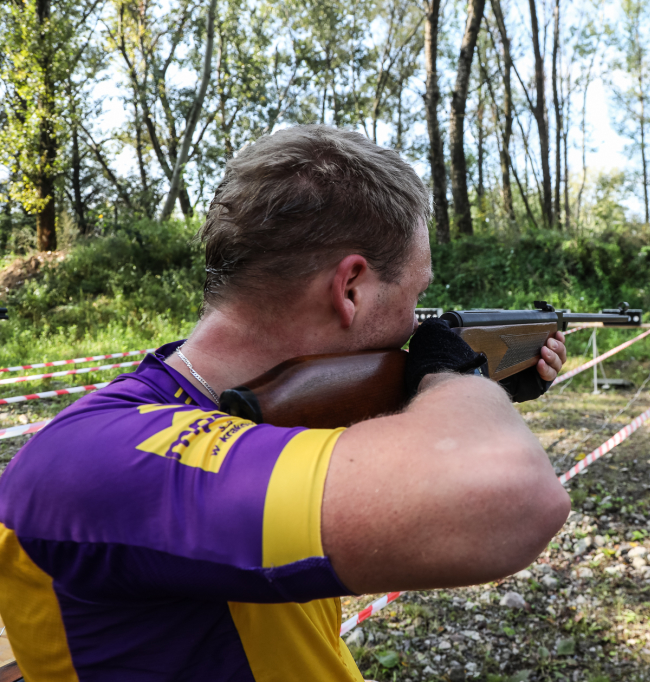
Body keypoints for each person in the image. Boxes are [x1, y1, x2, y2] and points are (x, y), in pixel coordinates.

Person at [0, 125, 571, 681]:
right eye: (416, 299)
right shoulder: (89, 461)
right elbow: (514, 501)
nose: (414, 326)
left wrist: (473, 393)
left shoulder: (225, 411)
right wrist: (452, 376)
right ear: (350, 288)